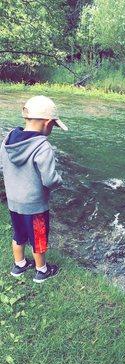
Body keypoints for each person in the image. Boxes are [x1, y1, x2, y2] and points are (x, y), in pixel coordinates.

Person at [0, 95, 68, 283]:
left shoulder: (8, 139)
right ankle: (42, 270)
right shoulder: (42, 147)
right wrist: (59, 181)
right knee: (38, 238)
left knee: (18, 234)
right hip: (35, 206)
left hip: (14, 202)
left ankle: (19, 265)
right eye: (54, 125)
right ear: (47, 122)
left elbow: (2, 165)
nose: (52, 128)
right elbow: (49, 180)